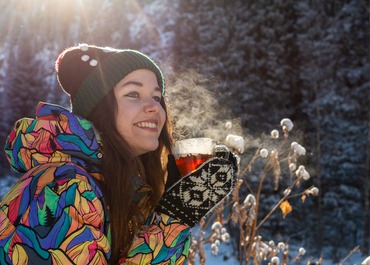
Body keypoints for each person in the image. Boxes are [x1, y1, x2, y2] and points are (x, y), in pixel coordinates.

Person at [0, 44, 237, 264]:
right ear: (99, 108)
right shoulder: (64, 188)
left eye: (157, 97)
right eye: (133, 94)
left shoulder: (117, 185)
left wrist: (171, 207)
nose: (155, 106)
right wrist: (172, 221)